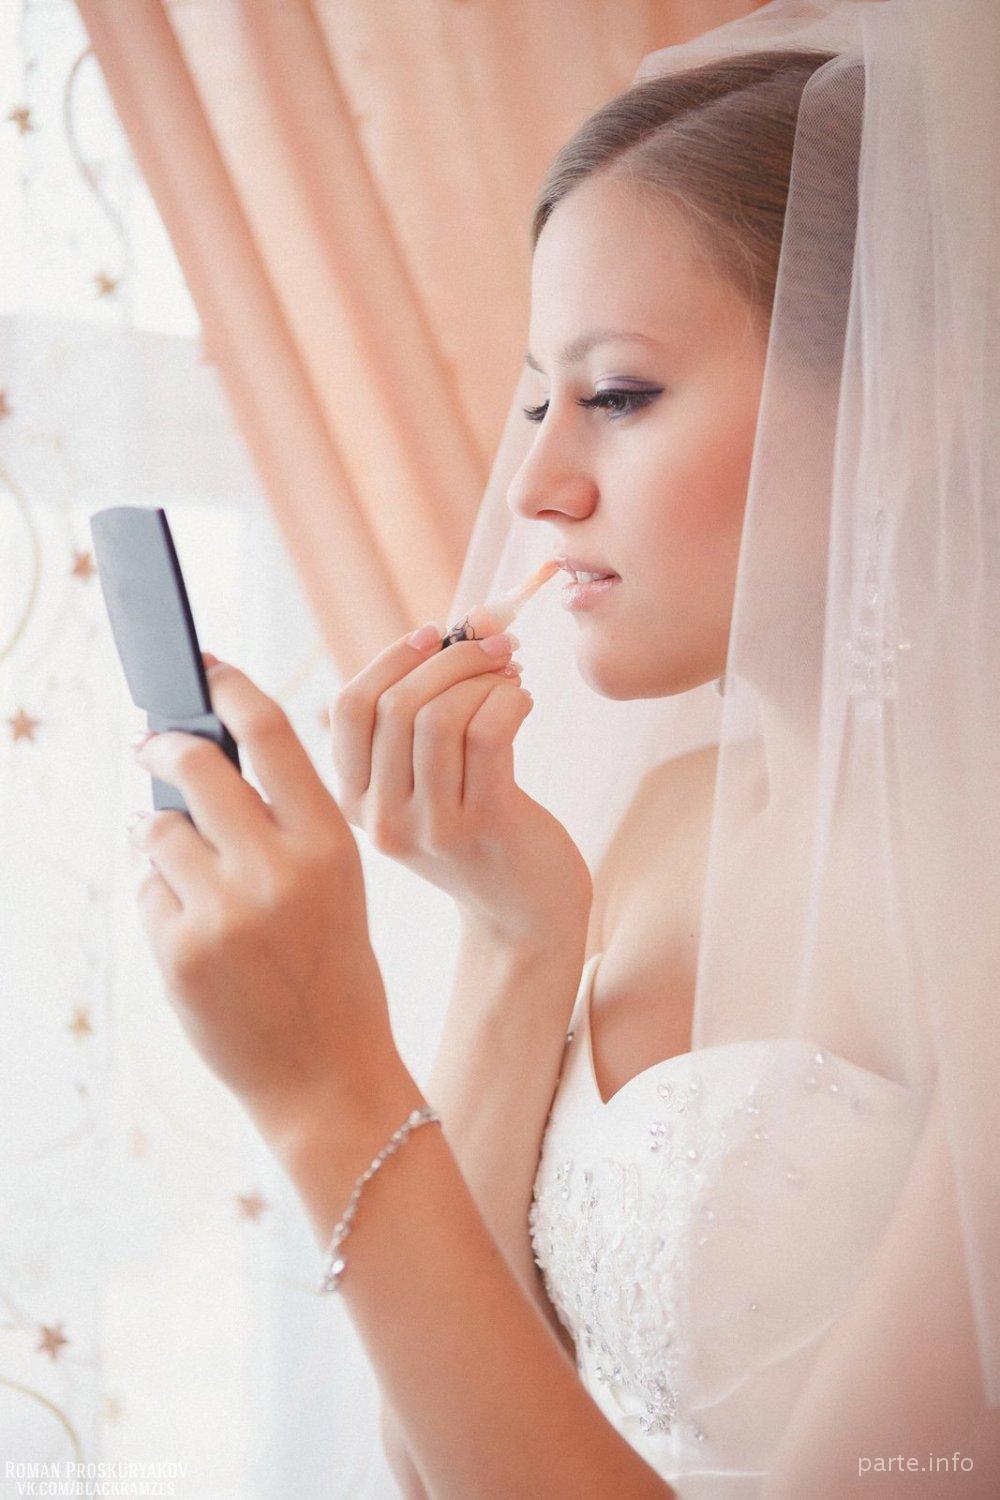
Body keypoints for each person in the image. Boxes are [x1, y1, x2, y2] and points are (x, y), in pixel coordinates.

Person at [128, 2, 1000, 1495]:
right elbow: (434, 1461)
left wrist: (328, 1086)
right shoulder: (660, 818)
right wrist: (515, 937)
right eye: (536, 399)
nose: (534, 480)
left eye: (617, 395)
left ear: (908, 409)